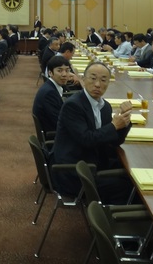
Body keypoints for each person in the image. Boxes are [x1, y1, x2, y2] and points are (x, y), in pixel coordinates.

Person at [51, 62, 133, 204]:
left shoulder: (105, 106)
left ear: (109, 83)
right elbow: (87, 139)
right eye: (93, 78)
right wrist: (114, 126)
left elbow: (112, 141)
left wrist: (124, 122)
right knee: (130, 187)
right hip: (76, 171)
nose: (97, 84)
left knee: (132, 173)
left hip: (94, 161)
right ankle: (109, 222)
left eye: (103, 80)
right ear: (83, 79)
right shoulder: (73, 105)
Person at [32, 55, 71, 145]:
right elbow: (59, 124)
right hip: (56, 140)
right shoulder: (49, 93)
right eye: (59, 70)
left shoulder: (51, 86)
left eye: (67, 70)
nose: (64, 74)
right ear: (50, 73)